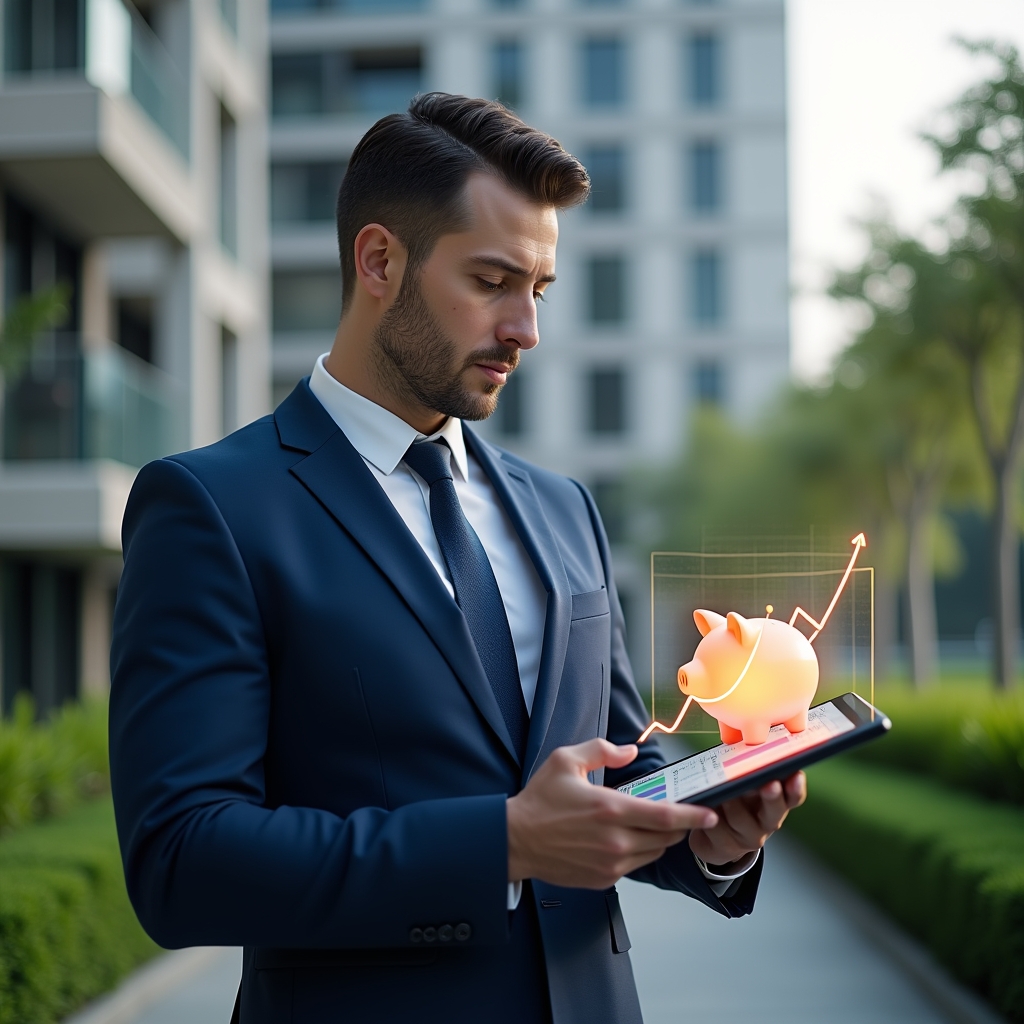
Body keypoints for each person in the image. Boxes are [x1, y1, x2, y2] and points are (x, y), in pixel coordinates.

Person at [109, 93, 805, 1024]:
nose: (527, 328)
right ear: (379, 261)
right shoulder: (212, 507)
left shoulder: (565, 510)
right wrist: (502, 844)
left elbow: (615, 763)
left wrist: (714, 830)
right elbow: (181, 859)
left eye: (540, 289)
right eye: (492, 281)